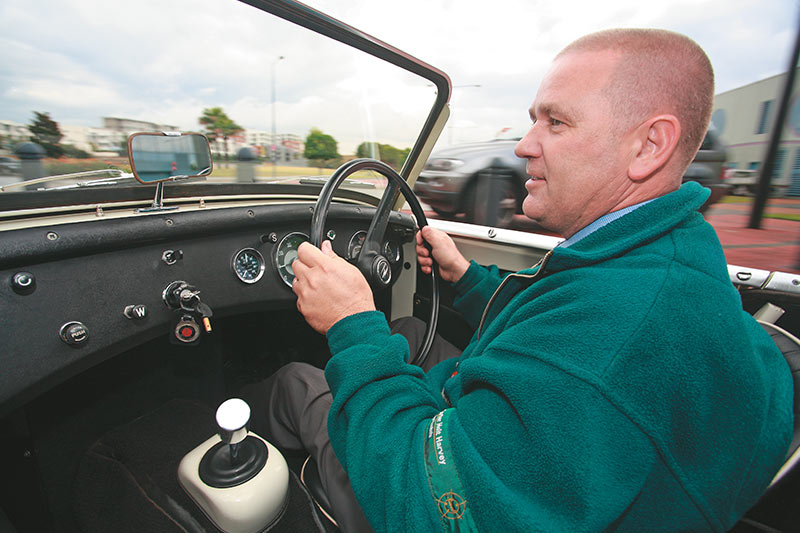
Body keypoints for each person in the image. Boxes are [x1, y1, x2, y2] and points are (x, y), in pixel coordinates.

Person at [245, 28, 794, 532]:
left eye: (555, 122)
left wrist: (353, 326)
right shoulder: (667, 252)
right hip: (544, 454)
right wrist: (466, 277)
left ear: (649, 145)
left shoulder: (608, 342)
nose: (524, 145)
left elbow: (429, 505)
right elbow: (551, 323)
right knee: (410, 330)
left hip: (426, 489)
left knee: (298, 380)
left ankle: (206, 444)